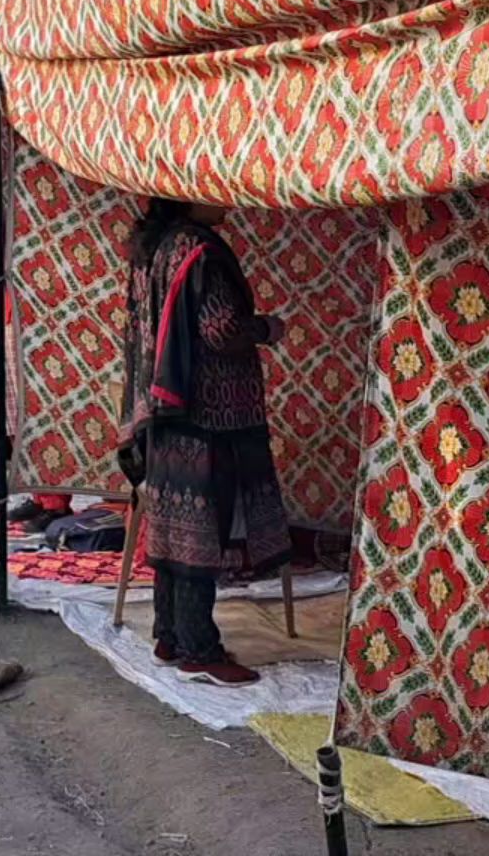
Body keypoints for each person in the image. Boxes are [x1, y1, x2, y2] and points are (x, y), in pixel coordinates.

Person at [118, 198, 292, 687]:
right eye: (211, 190)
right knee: (202, 532)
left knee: (174, 523)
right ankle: (199, 649)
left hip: (163, 403)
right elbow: (221, 330)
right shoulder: (199, 250)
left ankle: (168, 634)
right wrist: (266, 328)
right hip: (208, 409)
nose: (225, 198)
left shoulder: (150, 249)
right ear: (187, 198)